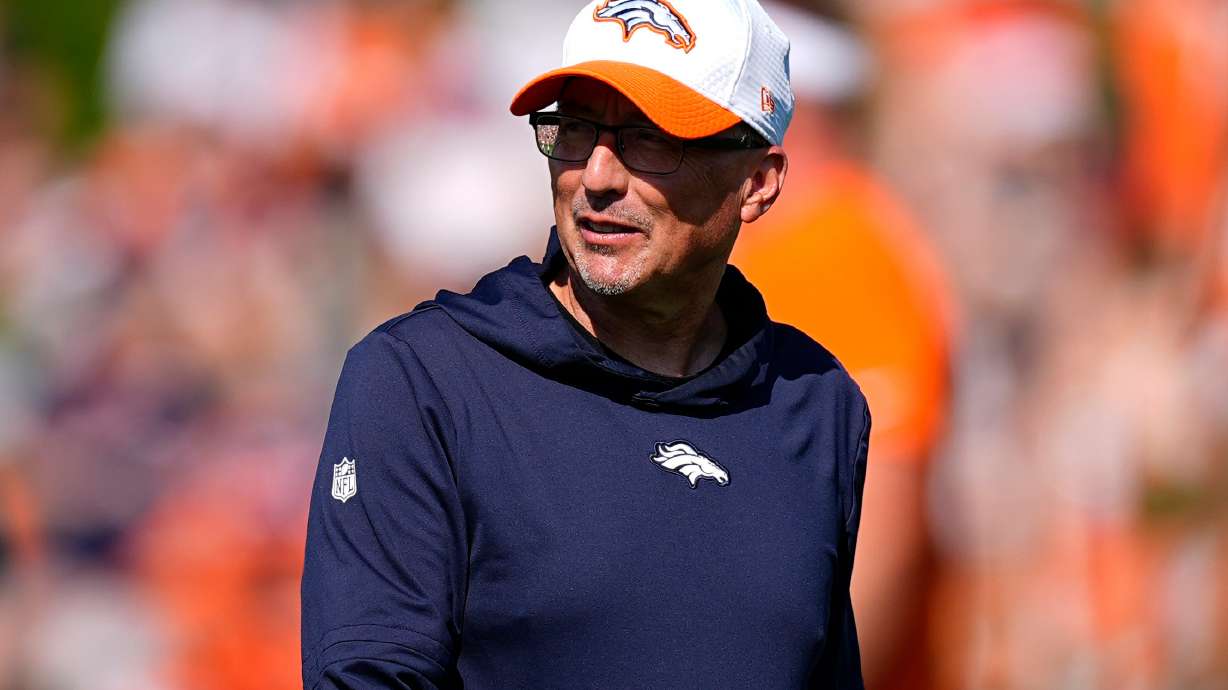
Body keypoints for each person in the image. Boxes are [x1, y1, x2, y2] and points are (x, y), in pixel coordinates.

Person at [300, 1, 871, 688]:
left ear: (757, 181)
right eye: (574, 129)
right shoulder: (425, 382)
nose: (596, 176)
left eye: (650, 138)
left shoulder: (816, 403)